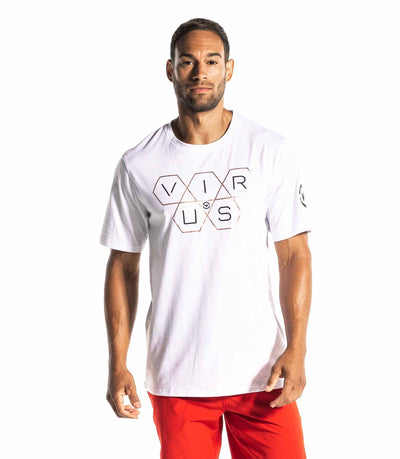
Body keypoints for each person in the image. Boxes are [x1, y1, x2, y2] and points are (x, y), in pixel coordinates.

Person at [99, 17, 312, 459]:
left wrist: (298, 347)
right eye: (188, 62)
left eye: (212, 61)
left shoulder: (269, 150)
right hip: (178, 376)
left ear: (229, 69)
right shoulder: (138, 163)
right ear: (170, 69)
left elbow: (294, 255)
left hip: (264, 374)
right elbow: (123, 266)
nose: (201, 73)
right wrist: (117, 363)